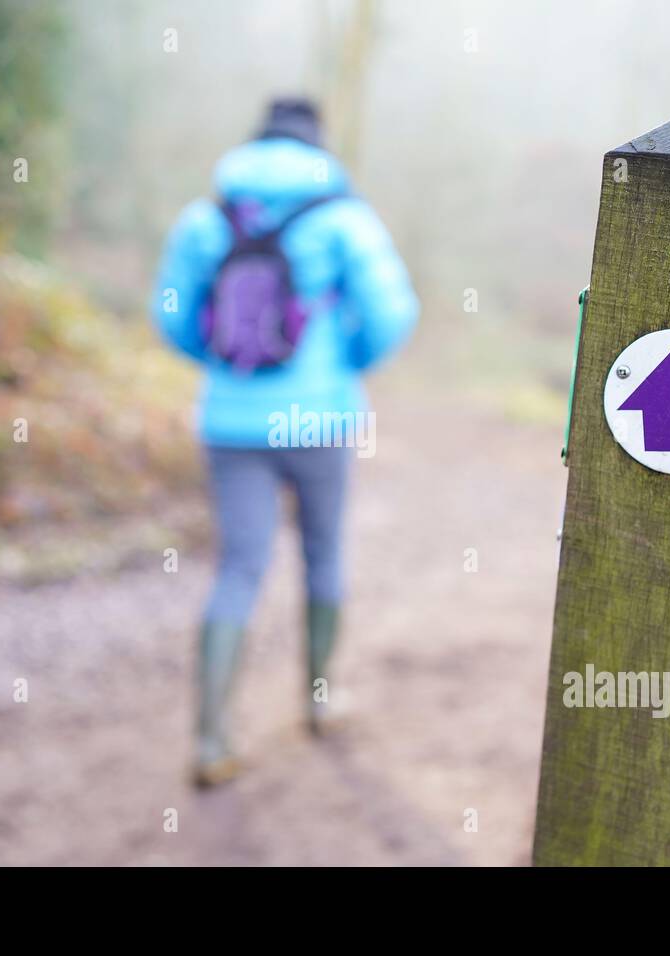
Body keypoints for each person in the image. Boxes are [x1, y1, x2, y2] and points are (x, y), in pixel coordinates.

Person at [152, 97, 418, 787]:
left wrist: (220, 365)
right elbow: (393, 313)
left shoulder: (205, 218)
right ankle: (320, 703)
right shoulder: (342, 218)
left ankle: (212, 740)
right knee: (324, 549)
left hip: (231, 422)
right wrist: (347, 363)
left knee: (240, 565)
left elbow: (171, 315)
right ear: (317, 144)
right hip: (321, 420)